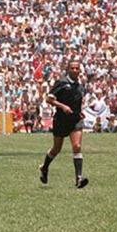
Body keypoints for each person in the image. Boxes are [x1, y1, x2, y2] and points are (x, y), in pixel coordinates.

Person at [38, 60, 89, 188]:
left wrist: (80, 112)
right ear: (68, 69)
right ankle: (44, 167)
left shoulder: (80, 86)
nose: (75, 70)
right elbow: (49, 99)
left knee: (77, 146)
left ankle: (79, 178)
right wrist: (63, 106)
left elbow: (76, 102)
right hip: (61, 120)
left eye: (77, 68)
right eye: (72, 68)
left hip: (75, 120)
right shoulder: (61, 83)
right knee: (56, 149)